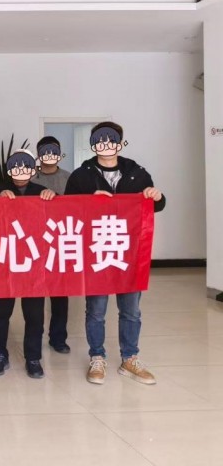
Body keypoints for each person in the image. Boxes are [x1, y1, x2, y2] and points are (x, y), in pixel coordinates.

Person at [65, 121, 165, 385]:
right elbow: (67, 209)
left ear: (120, 143)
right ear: (93, 144)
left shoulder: (137, 173)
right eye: (100, 140)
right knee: (96, 310)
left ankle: (129, 358)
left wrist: (156, 196)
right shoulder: (81, 176)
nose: (105, 145)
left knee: (131, 310)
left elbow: (155, 205)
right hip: (96, 251)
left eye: (111, 140)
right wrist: (89, 200)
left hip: (129, 252)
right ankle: (97, 357)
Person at [0, 149, 56, 379]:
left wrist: (53, 196)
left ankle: (33, 358)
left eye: (25, 167)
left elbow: (60, 214)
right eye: (15, 167)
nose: (20, 172)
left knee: (34, 314)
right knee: (0, 313)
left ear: (33, 170)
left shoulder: (41, 191)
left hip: (33, 263)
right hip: (5, 261)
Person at [32, 135, 72, 354]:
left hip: (59, 243)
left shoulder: (68, 178)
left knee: (59, 296)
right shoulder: (29, 175)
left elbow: (77, 207)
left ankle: (58, 338)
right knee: (35, 296)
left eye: (53, 151)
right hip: (34, 243)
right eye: (44, 151)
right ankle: (35, 338)